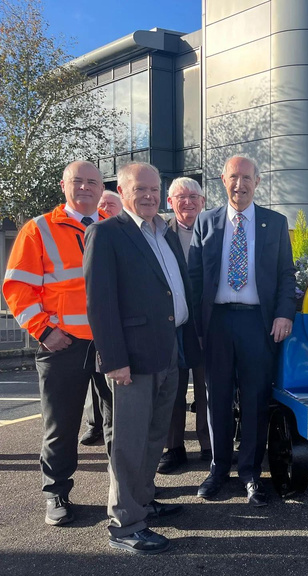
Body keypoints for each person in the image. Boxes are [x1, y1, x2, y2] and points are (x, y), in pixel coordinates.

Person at [84, 162, 200, 554]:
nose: (149, 195)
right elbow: (100, 304)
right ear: (122, 189)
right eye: (141, 189)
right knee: (130, 441)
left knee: (155, 435)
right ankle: (125, 524)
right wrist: (114, 359)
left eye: (155, 188)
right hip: (130, 359)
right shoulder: (106, 233)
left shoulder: (163, 232)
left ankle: (143, 501)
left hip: (169, 349)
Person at [3, 160, 112, 526]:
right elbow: (17, 286)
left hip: (111, 344)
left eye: (92, 182)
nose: (85, 188)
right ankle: (56, 492)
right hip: (63, 344)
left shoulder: (113, 228)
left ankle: (127, 489)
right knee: (61, 425)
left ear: (101, 189)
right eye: (77, 181)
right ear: (63, 186)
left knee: (118, 422)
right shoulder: (39, 229)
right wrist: (44, 331)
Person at [188, 155, 296, 507]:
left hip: (257, 324)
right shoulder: (206, 222)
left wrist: (284, 314)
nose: (240, 184)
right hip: (217, 323)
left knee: (254, 401)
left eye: (246, 177)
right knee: (216, 398)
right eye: (234, 177)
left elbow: (285, 275)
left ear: (257, 181)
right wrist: (195, 325)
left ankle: (250, 474)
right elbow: (194, 278)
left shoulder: (275, 223)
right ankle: (218, 470)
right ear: (223, 180)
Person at [157, 177, 211, 474]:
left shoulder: (216, 229)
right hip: (172, 323)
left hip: (206, 323)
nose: (188, 202)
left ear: (203, 201)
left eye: (193, 196)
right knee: (172, 388)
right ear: (170, 201)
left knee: (207, 386)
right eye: (181, 197)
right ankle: (173, 447)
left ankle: (208, 443)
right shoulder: (159, 232)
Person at [81, 191, 122, 447]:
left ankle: (109, 434)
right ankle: (94, 425)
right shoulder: (95, 231)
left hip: (107, 325)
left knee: (108, 391)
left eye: (110, 204)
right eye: (102, 204)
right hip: (78, 328)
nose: (105, 207)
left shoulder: (124, 233)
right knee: (94, 387)